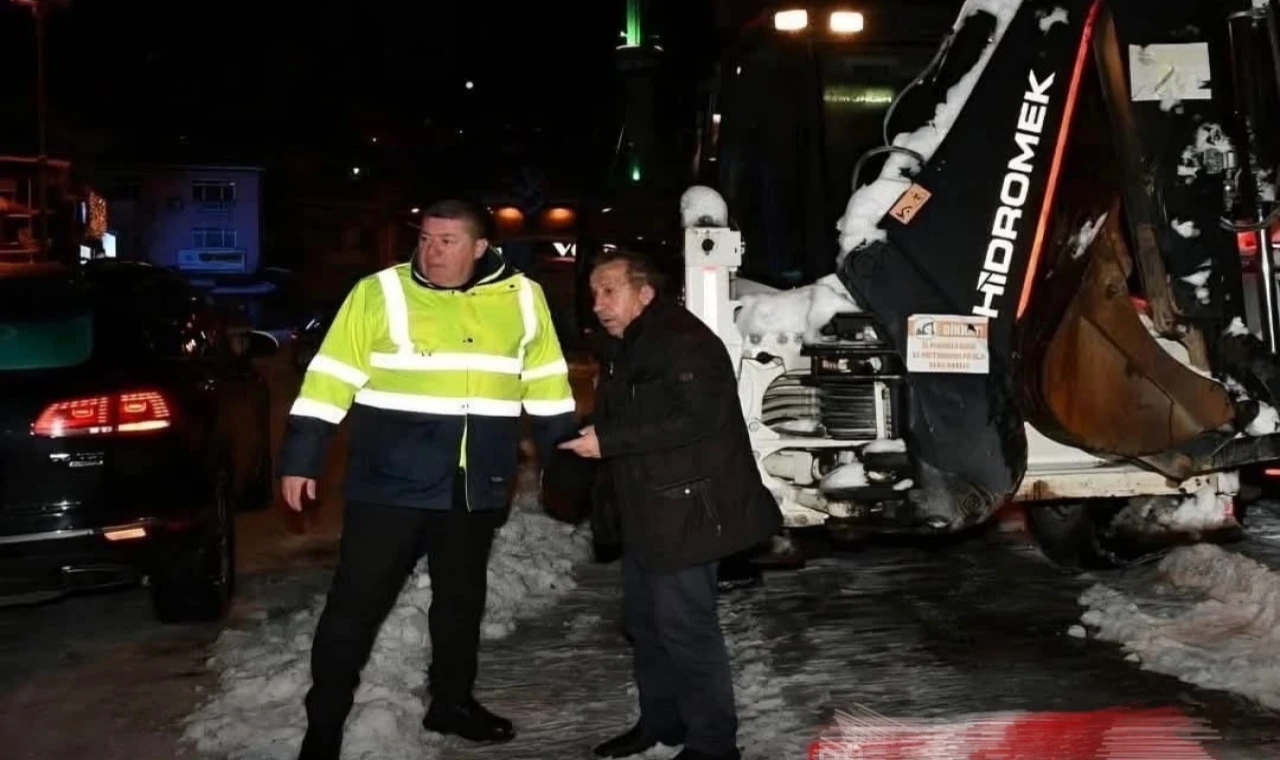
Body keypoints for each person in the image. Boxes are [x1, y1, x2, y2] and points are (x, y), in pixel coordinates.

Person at [278, 199, 578, 760]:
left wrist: (563, 464)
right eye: (424, 239)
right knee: (355, 607)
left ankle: (452, 703)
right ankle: (322, 732)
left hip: (476, 481)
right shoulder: (379, 292)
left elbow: (547, 385)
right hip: (389, 485)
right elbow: (330, 377)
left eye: (446, 241)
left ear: (480, 247)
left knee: (461, 602)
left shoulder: (523, 297)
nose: (431, 252)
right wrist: (302, 456)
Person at [559, 247, 783, 760]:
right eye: (594, 293)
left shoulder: (682, 341)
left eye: (609, 290)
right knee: (646, 624)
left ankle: (713, 744)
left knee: (686, 630)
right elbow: (634, 416)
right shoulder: (627, 344)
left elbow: (698, 418)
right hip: (648, 508)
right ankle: (663, 724)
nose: (598, 304)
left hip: (687, 510)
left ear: (644, 293)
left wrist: (609, 442)